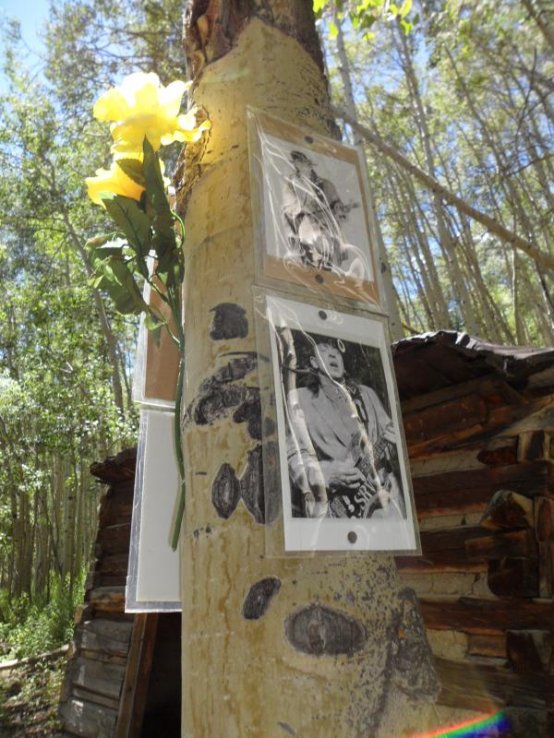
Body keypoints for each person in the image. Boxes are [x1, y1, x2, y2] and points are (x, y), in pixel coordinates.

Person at [284, 334, 405, 520]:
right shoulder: (300, 399)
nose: (333, 354)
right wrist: (326, 474)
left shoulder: (367, 394)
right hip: (337, 510)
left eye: (336, 351)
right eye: (324, 350)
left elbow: (395, 447)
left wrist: (396, 444)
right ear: (314, 362)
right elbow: (293, 455)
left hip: (388, 503)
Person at [281, 150, 367, 280]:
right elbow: (289, 207)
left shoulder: (326, 184)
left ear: (309, 164)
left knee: (326, 264)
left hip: (326, 230)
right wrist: (305, 211)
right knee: (309, 264)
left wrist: (340, 209)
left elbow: (337, 205)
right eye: (298, 163)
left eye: (305, 163)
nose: (303, 166)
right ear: (295, 165)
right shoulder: (290, 183)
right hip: (306, 229)